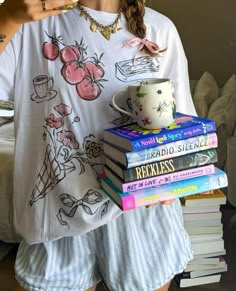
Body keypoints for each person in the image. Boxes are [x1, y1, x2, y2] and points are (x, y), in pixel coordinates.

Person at [0, 0, 197, 290]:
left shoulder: (160, 29)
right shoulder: (28, 24)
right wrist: (6, 17)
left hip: (140, 212)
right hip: (58, 211)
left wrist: (173, 180)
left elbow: (182, 126)